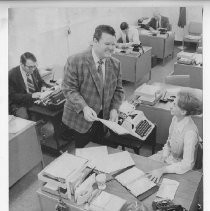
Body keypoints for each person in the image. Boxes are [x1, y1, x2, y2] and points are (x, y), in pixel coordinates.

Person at [62, 25, 125, 148]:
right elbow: (69, 89)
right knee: (83, 153)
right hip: (81, 119)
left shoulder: (116, 64)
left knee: (101, 151)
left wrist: (114, 109)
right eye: (107, 44)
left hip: (103, 119)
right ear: (95, 41)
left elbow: (119, 90)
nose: (111, 48)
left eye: (113, 44)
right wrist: (84, 107)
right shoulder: (75, 61)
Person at [146, 91, 202, 183]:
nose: (171, 106)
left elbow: (187, 164)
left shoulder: (190, 133)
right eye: (173, 102)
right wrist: (164, 156)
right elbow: (169, 142)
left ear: (183, 112)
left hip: (180, 167)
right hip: (168, 157)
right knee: (145, 168)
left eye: (175, 104)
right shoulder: (175, 118)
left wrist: (163, 169)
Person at [9, 52, 52, 119]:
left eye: (34, 66)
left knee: (51, 109)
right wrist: (31, 96)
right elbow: (12, 96)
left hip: (35, 98)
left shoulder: (33, 69)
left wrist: (43, 86)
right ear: (22, 64)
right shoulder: (12, 75)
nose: (32, 69)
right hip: (19, 103)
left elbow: (41, 82)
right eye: (30, 67)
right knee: (24, 117)